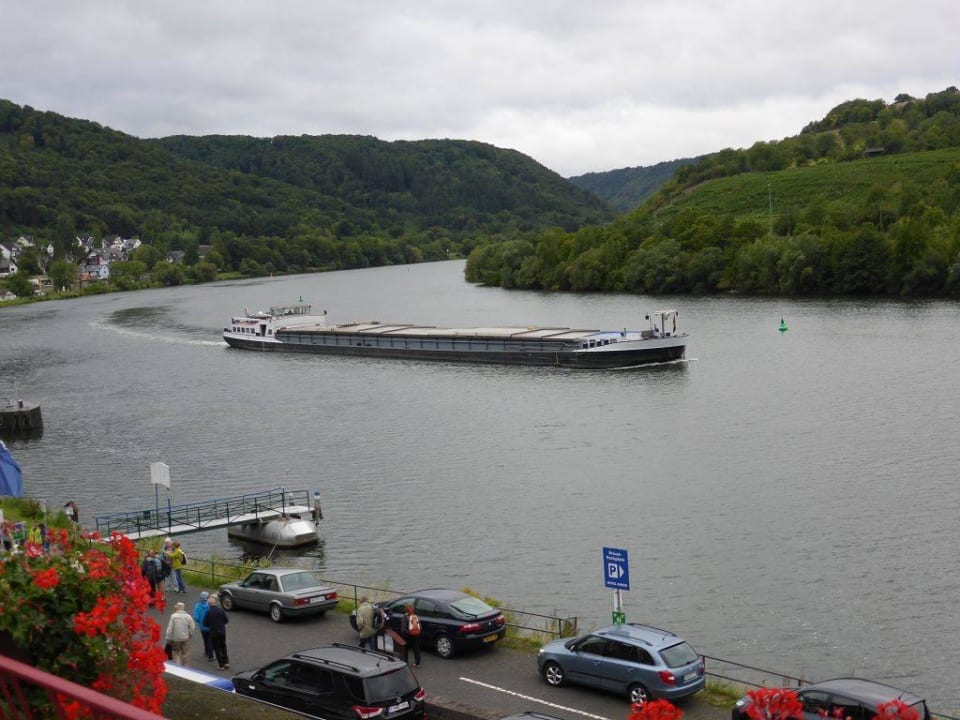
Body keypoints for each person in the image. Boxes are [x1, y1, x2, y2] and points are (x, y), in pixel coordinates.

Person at [165, 601, 196, 666]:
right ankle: (186, 667)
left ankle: (178, 667)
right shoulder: (188, 616)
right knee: (185, 653)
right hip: (185, 638)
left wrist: (168, 637)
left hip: (176, 638)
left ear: (177, 607)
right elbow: (192, 627)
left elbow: (170, 629)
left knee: (176, 653)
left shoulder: (173, 616)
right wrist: (190, 634)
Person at [205, 594, 230, 670]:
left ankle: (221, 665)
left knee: (217, 648)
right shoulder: (220, 610)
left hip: (214, 632)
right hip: (222, 631)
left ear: (209, 604)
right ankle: (226, 662)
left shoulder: (208, 612)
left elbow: (205, 623)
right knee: (223, 646)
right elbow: (226, 620)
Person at [193, 591, 214, 662]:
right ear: (207, 598)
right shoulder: (209, 605)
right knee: (210, 641)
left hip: (202, 627)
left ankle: (206, 652)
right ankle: (210, 654)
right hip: (210, 626)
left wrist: (199, 621)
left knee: (205, 640)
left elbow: (196, 617)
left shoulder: (197, 605)